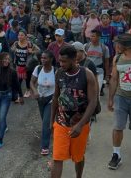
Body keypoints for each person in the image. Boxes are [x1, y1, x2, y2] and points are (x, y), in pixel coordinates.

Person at [50, 45, 97, 178]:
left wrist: (81, 124)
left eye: (64, 61)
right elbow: (55, 97)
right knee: (57, 157)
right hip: (61, 122)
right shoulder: (59, 72)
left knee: (78, 157)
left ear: (74, 59)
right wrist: (51, 121)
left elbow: (93, 101)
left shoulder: (87, 74)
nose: (61, 64)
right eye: (60, 61)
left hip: (80, 124)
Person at [0, 52, 23, 148]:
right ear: (0, 59)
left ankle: (0, 140)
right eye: (5, 59)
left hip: (6, 96)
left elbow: (17, 85)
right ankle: (5, 126)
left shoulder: (12, 72)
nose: (7, 61)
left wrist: (21, 96)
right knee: (1, 116)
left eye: (8, 59)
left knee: (2, 117)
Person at [107, 33, 131, 170]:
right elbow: (114, 79)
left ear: (125, 45)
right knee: (117, 127)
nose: (116, 46)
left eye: (118, 43)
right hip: (121, 98)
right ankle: (116, 155)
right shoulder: (117, 58)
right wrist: (110, 98)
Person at [30, 50, 56, 155]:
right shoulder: (38, 68)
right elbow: (31, 82)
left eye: (45, 58)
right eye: (42, 58)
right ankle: (53, 130)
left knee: (46, 122)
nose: (43, 60)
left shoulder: (56, 71)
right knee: (45, 120)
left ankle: (45, 146)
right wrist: (35, 91)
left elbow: (60, 85)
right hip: (40, 98)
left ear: (51, 59)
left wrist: (56, 97)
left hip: (51, 99)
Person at [11, 29, 40, 99]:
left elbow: (39, 51)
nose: (20, 37)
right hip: (18, 65)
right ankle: (18, 93)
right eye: (19, 35)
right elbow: (11, 50)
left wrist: (32, 51)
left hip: (27, 65)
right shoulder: (16, 43)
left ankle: (28, 90)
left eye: (21, 35)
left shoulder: (29, 44)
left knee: (27, 79)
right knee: (18, 80)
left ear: (25, 36)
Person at [85, 29, 110, 96]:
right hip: (88, 71)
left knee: (97, 91)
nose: (91, 37)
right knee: (87, 90)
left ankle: (96, 104)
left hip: (99, 71)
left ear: (98, 37)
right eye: (91, 36)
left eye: (93, 36)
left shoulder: (104, 48)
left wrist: (107, 75)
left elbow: (107, 62)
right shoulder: (86, 46)